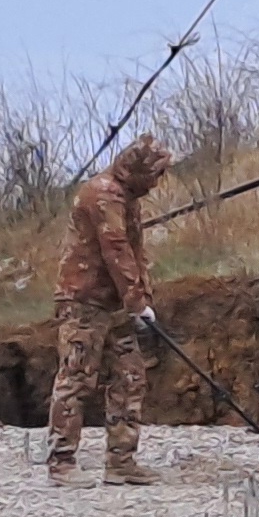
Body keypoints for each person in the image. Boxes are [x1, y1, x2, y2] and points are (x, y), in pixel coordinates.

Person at [48, 137, 172, 483]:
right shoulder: (102, 195)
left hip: (115, 303)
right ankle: (61, 462)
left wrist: (141, 297)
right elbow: (115, 249)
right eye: (154, 174)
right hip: (84, 301)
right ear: (137, 171)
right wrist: (137, 300)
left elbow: (135, 250)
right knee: (76, 377)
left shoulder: (127, 198)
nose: (156, 182)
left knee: (130, 375)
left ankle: (121, 462)